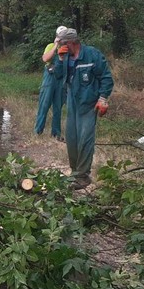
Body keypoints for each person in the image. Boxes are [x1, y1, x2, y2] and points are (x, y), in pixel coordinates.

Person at [52, 28, 114, 190]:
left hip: (89, 102)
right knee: (71, 138)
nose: (60, 46)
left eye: (62, 43)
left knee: (85, 139)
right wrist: (59, 58)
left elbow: (106, 78)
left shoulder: (92, 55)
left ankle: (83, 176)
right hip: (72, 101)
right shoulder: (64, 56)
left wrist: (103, 99)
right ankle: (75, 173)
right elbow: (58, 76)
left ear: (71, 42)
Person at [35, 25, 68, 141]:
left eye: (65, 36)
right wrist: (55, 46)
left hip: (61, 80)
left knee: (58, 108)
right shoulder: (50, 46)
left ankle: (56, 133)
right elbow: (45, 59)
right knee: (44, 105)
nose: (63, 39)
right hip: (49, 78)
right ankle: (38, 131)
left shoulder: (69, 48)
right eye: (61, 36)